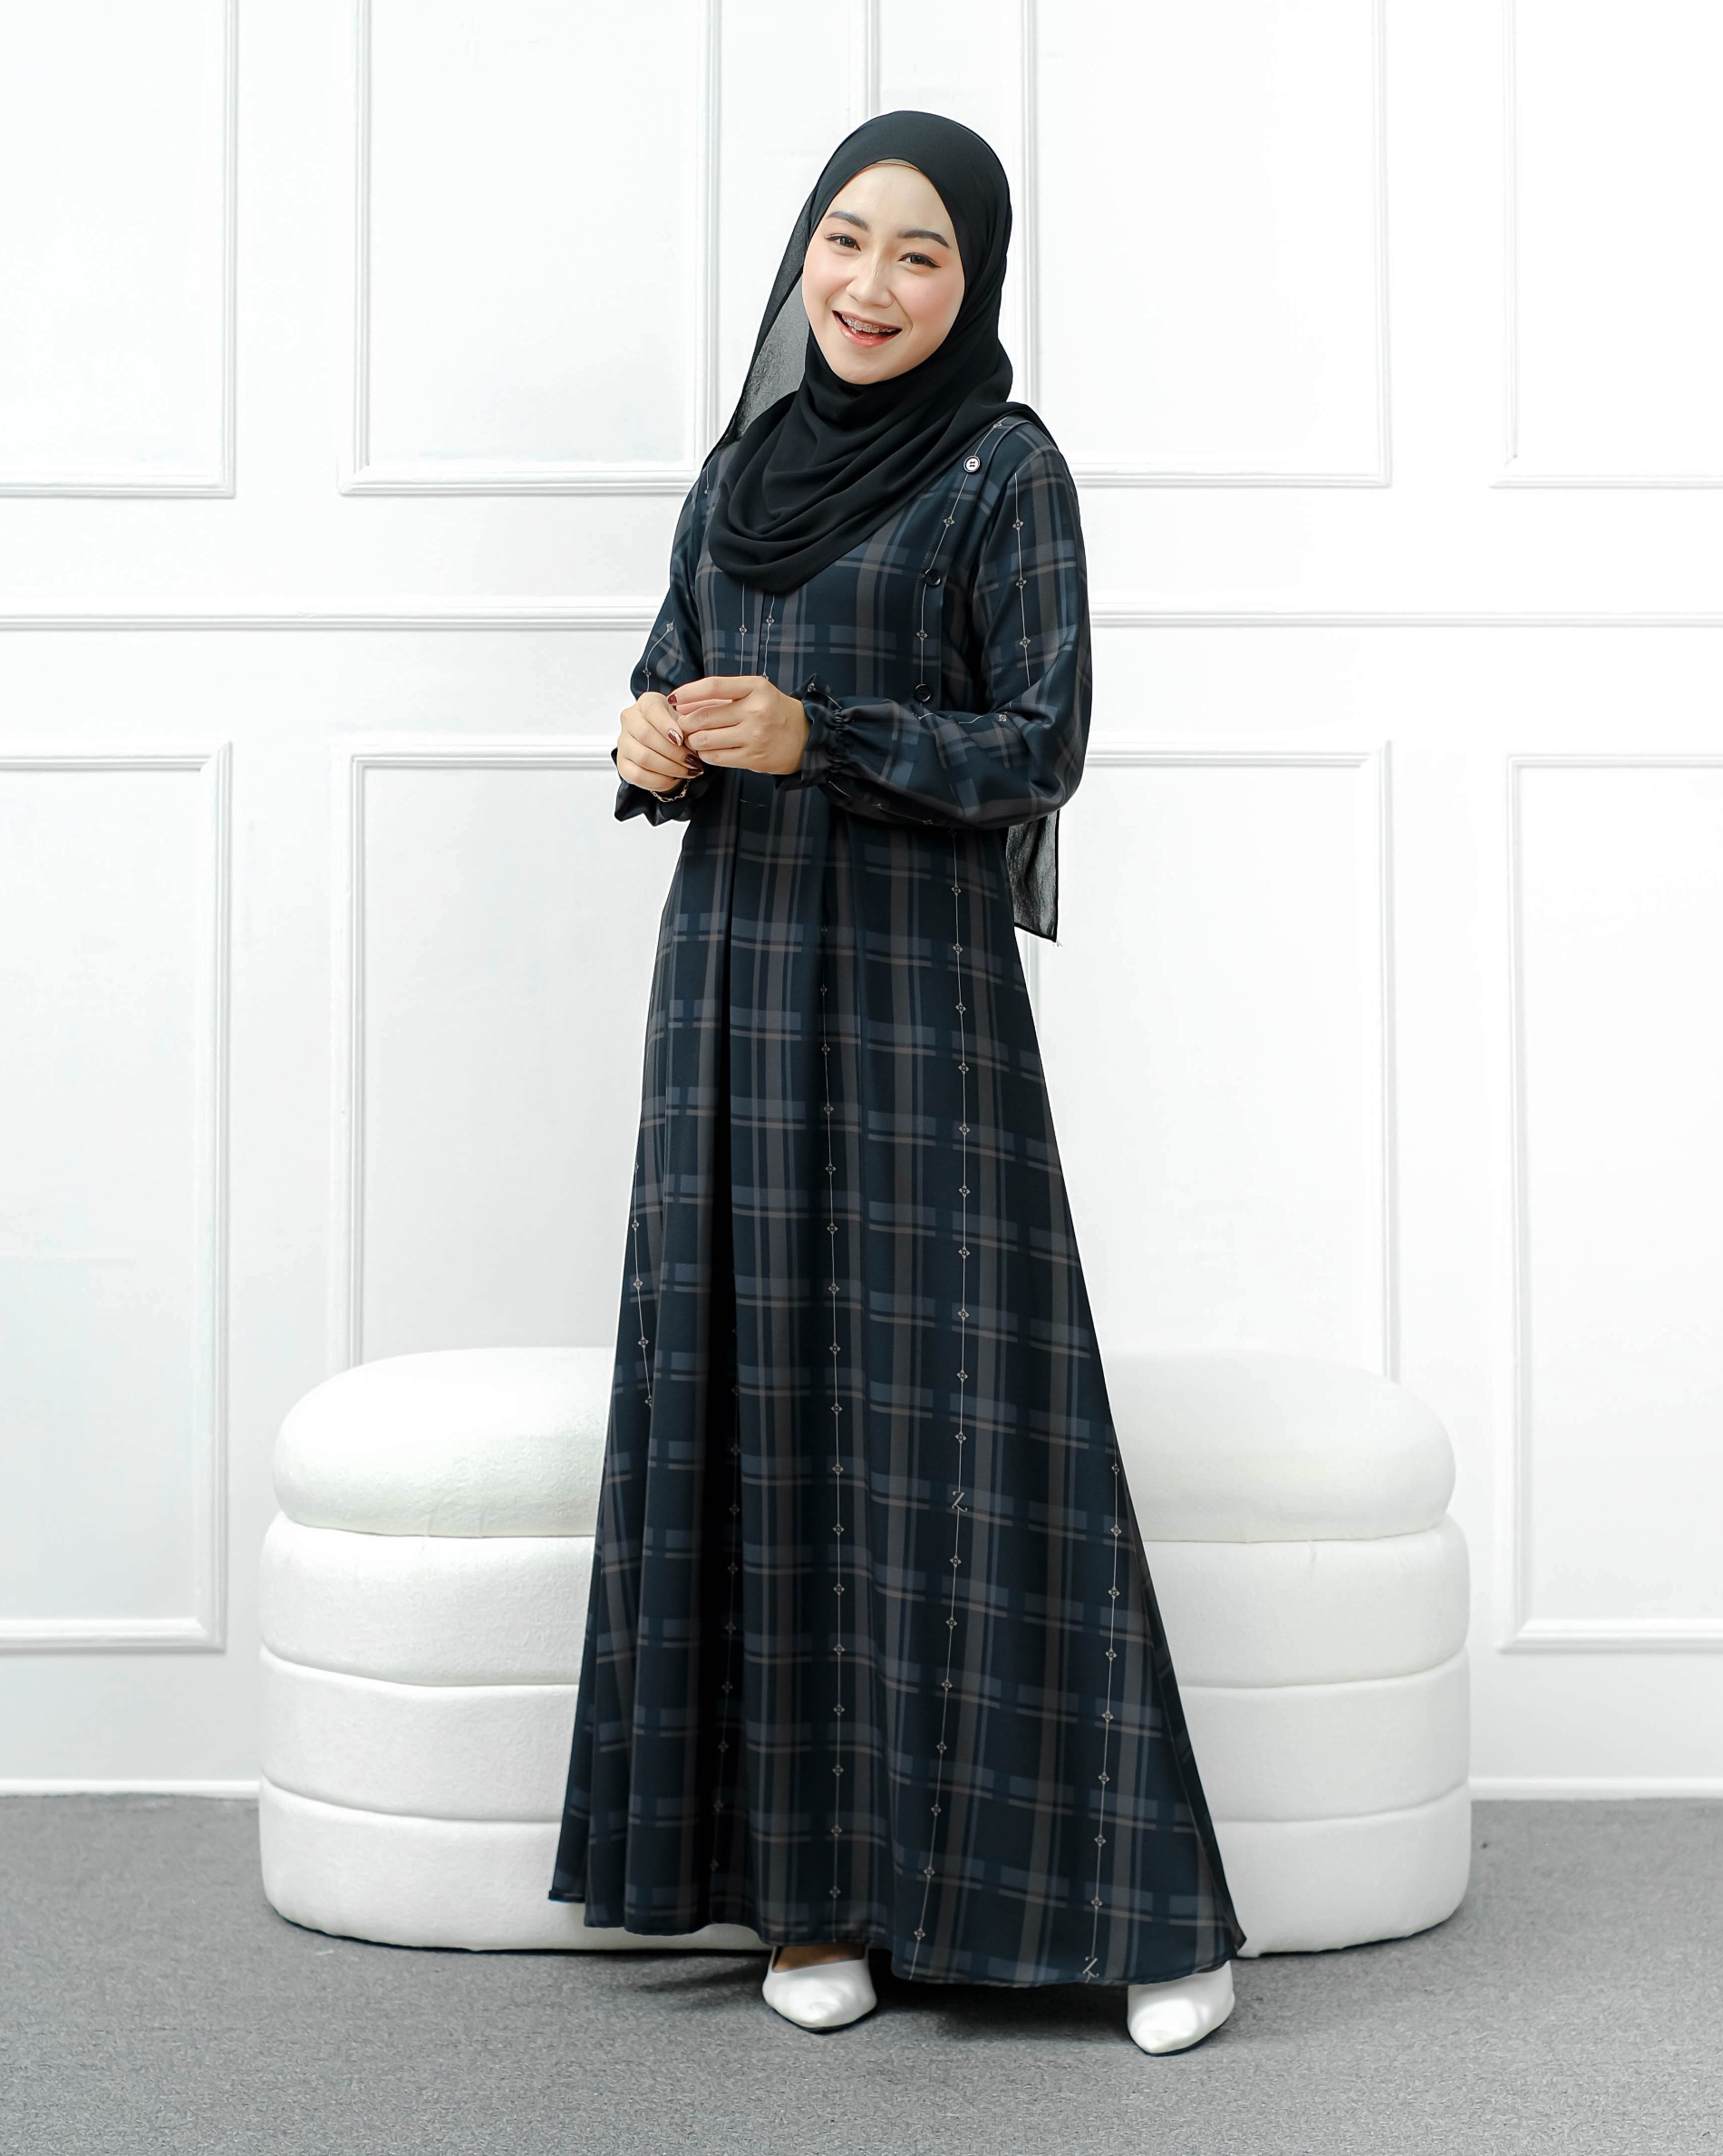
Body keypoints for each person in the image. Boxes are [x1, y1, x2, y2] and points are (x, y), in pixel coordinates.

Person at [551, 113, 1243, 2054]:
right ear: (802, 254)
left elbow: (1039, 742)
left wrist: (822, 735)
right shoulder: (741, 469)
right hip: (732, 994)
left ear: (973, 280)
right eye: (843, 241)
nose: (868, 284)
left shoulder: (1001, 469)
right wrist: (649, 739)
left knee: (983, 1423)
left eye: (919, 253)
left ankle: (1141, 1916)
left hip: (919, 1001)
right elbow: (676, 669)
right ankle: (814, 1903)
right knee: (765, 1408)